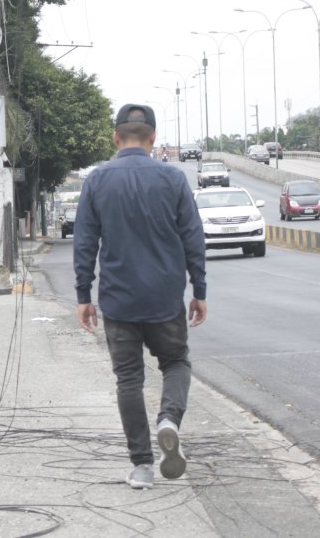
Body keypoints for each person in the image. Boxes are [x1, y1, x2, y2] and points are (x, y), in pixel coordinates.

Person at [72, 104, 207, 490]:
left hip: (118, 299)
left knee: (129, 379)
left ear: (117, 138)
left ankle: (143, 466)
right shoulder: (174, 179)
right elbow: (193, 238)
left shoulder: (97, 180)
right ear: (153, 139)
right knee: (176, 362)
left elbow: (85, 242)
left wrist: (84, 295)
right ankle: (169, 420)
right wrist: (199, 290)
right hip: (165, 297)